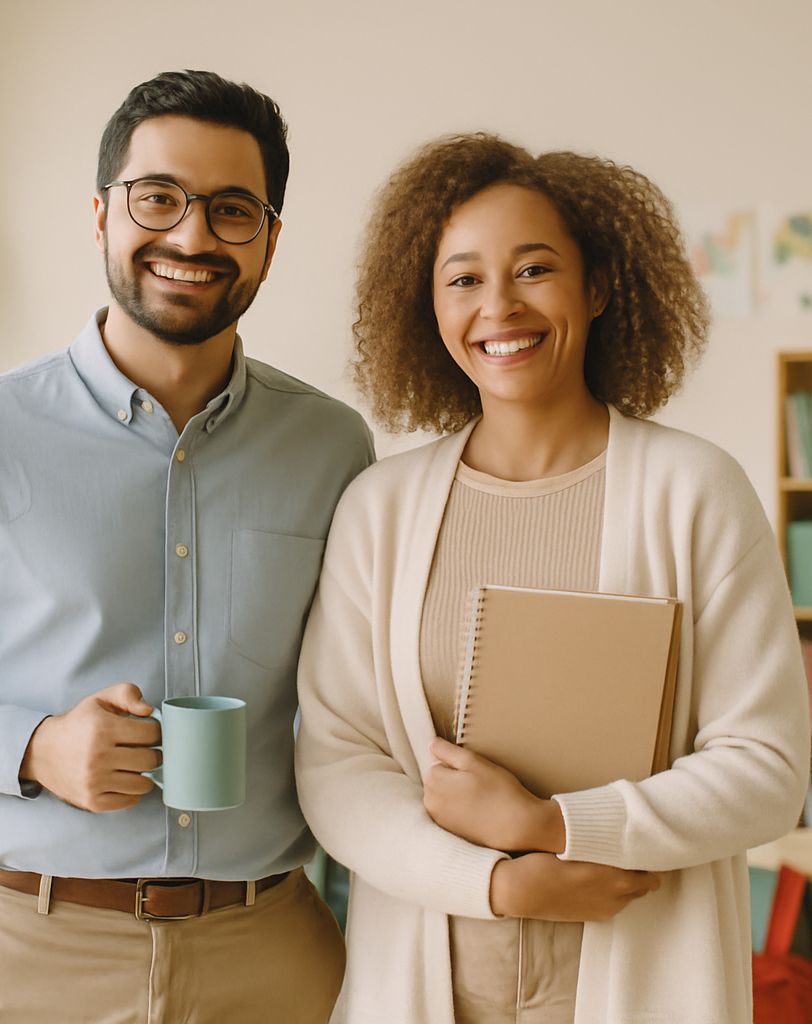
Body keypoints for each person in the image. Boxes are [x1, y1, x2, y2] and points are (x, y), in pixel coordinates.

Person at [0, 70, 374, 1024]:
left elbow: (361, 695)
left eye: (232, 210)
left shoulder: (334, 448)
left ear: (272, 240)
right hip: (27, 950)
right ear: (102, 215)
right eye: (158, 198)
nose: (193, 236)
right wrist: (32, 747)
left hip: (271, 947)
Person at [295, 133, 810, 1024]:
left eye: (534, 269)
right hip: (427, 978)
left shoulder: (697, 491)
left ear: (598, 286)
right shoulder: (379, 509)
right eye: (463, 278)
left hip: (645, 974)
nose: (499, 305)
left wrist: (551, 827)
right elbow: (338, 764)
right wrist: (496, 882)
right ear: (427, 305)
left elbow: (765, 769)